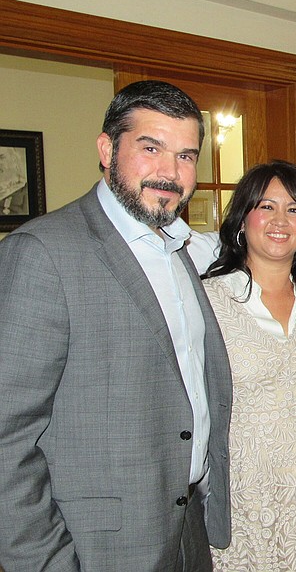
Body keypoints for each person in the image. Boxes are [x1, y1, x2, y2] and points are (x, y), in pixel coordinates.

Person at [0, 80, 232, 571]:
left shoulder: (178, 250)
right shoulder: (43, 253)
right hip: (95, 549)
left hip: (186, 533)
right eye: (152, 148)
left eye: (187, 156)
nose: (170, 172)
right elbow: (7, 439)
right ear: (107, 149)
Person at [202, 160, 296, 570]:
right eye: (266, 207)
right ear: (242, 219)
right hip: (244, 488)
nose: (280, 220)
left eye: (294, 209)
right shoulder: (209, 300)